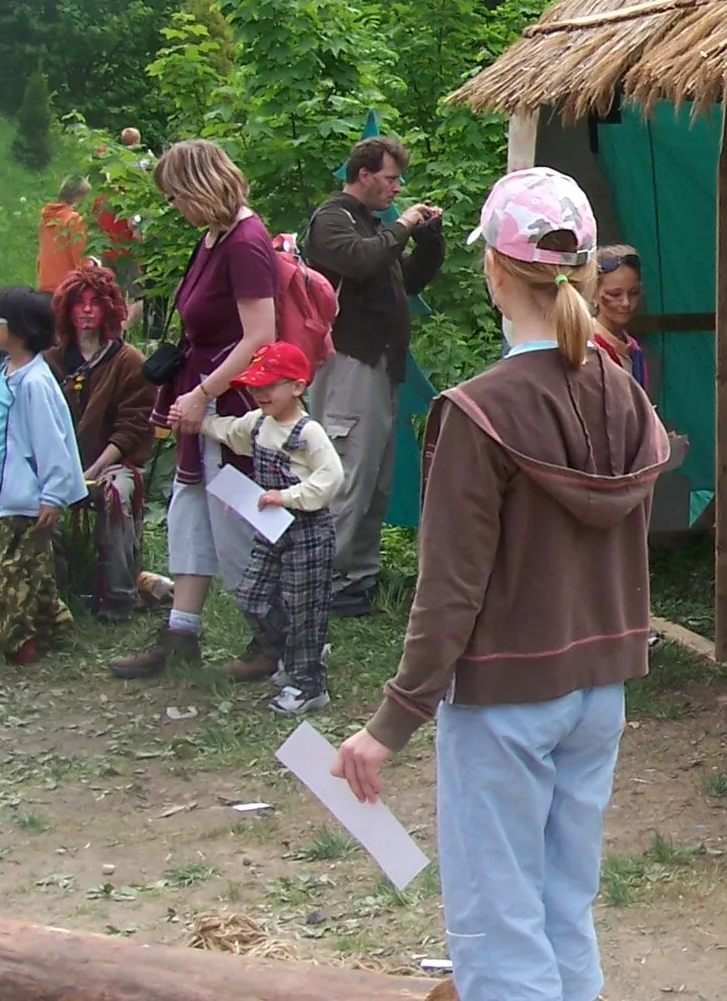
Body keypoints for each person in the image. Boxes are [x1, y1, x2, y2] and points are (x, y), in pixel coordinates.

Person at [331, 167, 668, 1001]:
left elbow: (449, 589)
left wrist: (388, 722)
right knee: (564, 906)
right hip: (600, 690)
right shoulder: (625, 392)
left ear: (492, 270)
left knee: (497, 924)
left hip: (508, 695)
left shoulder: (477, 409)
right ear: (589, 276)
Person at [108, 140, 277, 681]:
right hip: (199, 399)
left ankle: (276, 635)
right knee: (190, 512)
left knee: (238, 518)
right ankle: (181, 630)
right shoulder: (213, 238)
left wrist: (203, 393)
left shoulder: (246, 243)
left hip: (229, 407)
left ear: (201, 187)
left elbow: (260, 337)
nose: (175, 206)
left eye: (177, 195)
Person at [302, 135, 445, 617]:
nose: (396, 188)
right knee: (344, 473)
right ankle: (319, 580)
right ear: (362, 175)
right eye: (389, 178)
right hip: (347, 362)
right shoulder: (331, 220)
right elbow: (361, 262)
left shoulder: (369, 225)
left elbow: (406, 278)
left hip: (381, 366)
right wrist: (401, 226)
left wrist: (427, 240)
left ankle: (355, 577)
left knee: (376, 477)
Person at [200, 341, 344, 714]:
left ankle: (308, 684)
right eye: (255, 386)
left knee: (305, 607)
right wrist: (197, 420)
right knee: (252, 594)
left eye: (269, 385)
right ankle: (292, 653)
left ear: (297, 386)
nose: (260, 393)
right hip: (271, 530)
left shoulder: (308, 433)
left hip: (307, 532)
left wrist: (289, 496)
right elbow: (229, 432)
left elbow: (331, 478)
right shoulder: (258, 424)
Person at [49, 262, 152, 622]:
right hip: (57, 464)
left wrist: (91, 471)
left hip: (111, 464)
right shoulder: (50, 361)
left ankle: (118, 599)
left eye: (96, 301)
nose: (88, 309)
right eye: (80, 302)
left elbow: (131, 428)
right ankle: (53, 596)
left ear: (110, 307)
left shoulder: (128, 361)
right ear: (67, 309)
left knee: (117, 494)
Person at [0, 287, 88, 664]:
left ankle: (18, 642)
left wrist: (52, 494)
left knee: (10, 572)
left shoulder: (34, 382)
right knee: (32, 565)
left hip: (26, 497)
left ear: (19, 329)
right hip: (7, 492)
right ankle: (54, 624)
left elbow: (53, 440)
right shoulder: (6, 373)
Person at [590, 245, 650, 388]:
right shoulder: (587, 349)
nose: (626, 303)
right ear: (593, 294)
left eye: (634, 293)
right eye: (615, 295)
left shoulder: (635, 351)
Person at [36, 178, 89, 295]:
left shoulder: (47, 216)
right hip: (66, 287)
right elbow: (80, 257)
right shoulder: (74, 220)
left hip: (44, 283)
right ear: (78, 197)